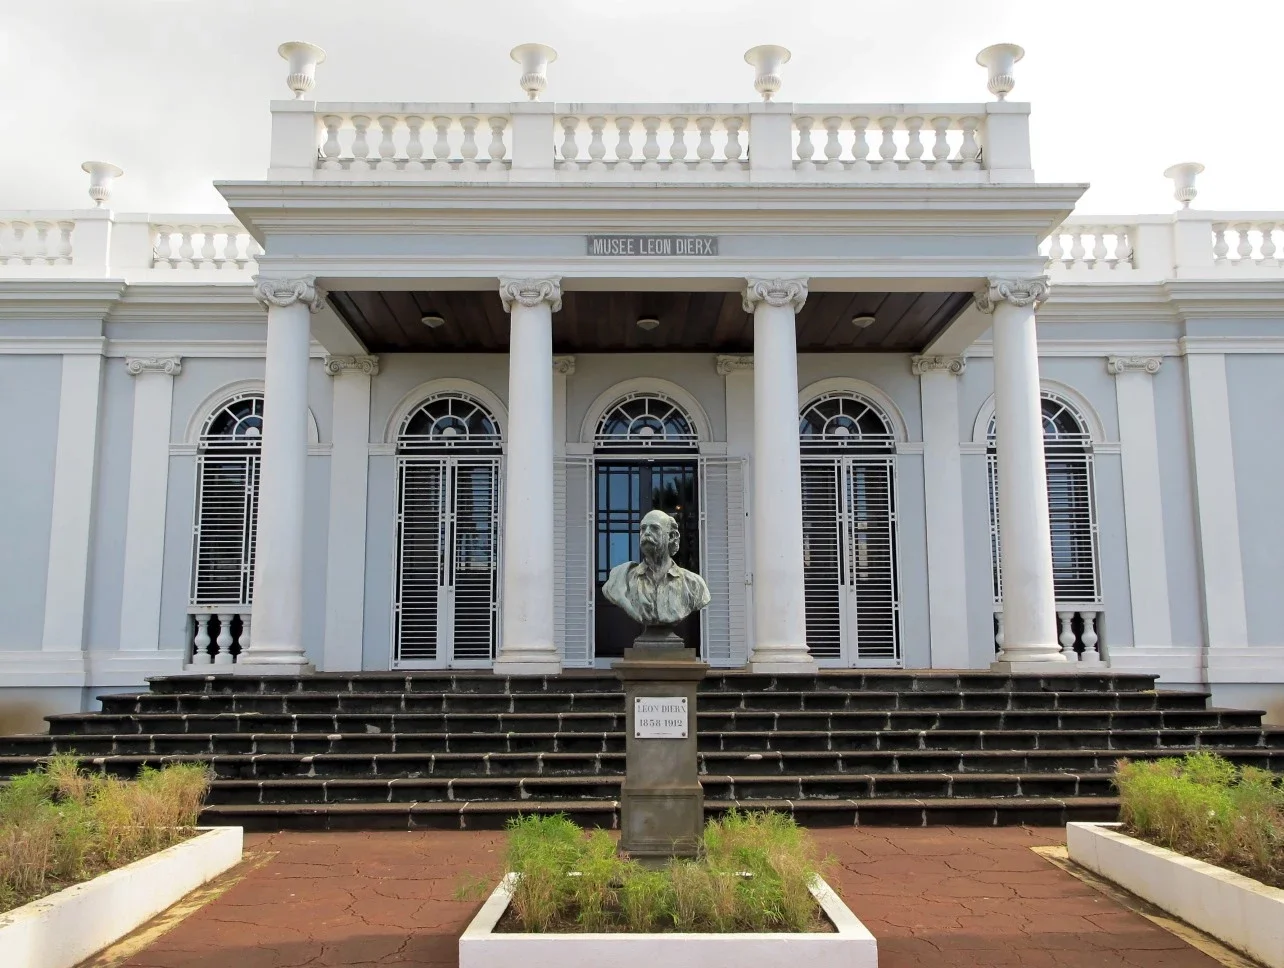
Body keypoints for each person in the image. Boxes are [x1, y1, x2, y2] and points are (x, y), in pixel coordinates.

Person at [601, 509, 711, 629]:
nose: (646, 533)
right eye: (643, 528)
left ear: (671, 536)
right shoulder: (623, 578)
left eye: (654, 528)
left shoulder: (694, 584)